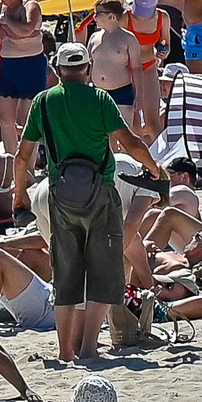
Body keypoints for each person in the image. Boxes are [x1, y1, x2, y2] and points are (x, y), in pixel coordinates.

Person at [21, 42, 160, 366]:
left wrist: (18, 194)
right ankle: (87, 347)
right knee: (105, 273)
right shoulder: (100, 99)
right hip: (101, 194)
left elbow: (23, 155)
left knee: (67, 274)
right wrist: (154, 168)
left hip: (60, 194)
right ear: (87, 71)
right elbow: (130, 143)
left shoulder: (43, 102)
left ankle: (64, 351)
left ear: (57, 70)